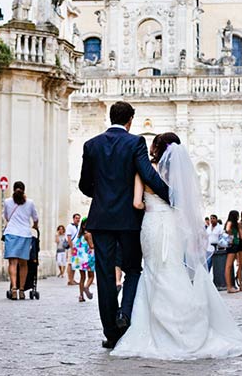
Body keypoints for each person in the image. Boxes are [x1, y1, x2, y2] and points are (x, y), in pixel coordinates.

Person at [111, 134, 242, 359]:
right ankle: (188, 325)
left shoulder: (144, 171)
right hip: (172, 225)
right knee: (173, 268)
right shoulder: (176, 175)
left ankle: (153, 328)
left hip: (152, 224)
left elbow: (137, 202)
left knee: (153, 271)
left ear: (155, 148)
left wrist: (145, 204)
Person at [78, 101, 170, 349]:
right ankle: (125, 313)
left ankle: (111, 333)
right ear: (130, 119)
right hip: (129, 220)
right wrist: (171, 196)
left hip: (101, 219)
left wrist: (102, 195)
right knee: (133, 269)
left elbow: (84, 185)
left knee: (105, 275)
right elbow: (148, 175)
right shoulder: (135, 142)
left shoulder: (91, 145)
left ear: (111, 118)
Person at [2, 181, 39, 300]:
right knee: (23, 263)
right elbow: (35, 218)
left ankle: (13, 288)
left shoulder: (7, 202)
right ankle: (22, 289)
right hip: (25, 234)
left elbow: (7, 217)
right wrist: (35, 226)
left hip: (11, 233)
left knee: (13, 263)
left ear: (13, 189)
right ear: (24, 190)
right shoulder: (30, 203)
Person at [70, 218, 96, 302]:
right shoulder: (88, 234)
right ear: (85, 225)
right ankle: (86, 287)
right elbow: (91, 246)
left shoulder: (79, 235)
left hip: (80, 260)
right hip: (88, 259)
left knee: (82, 277)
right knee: (91, 276)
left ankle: (81, 296)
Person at [224, 210, 240, 294]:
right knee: (228, 266)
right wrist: (231, 236)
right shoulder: (230, 222)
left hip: (235, 245)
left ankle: (231, 285)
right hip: (232, 245)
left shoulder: (234, 224)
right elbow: (227, 229)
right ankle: (229, 287)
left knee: (231, 266)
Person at [65, 213, 81, 285]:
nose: (78, 219)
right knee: (70, 263)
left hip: (76, 248)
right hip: (72, 247)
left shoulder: (78, 227)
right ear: (73, 218)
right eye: (76, 218)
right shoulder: (70, 226)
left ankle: (72, 279)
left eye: (78, 218)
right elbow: (69, 238)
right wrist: (72, 248)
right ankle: (69, 279)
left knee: (74, 263)